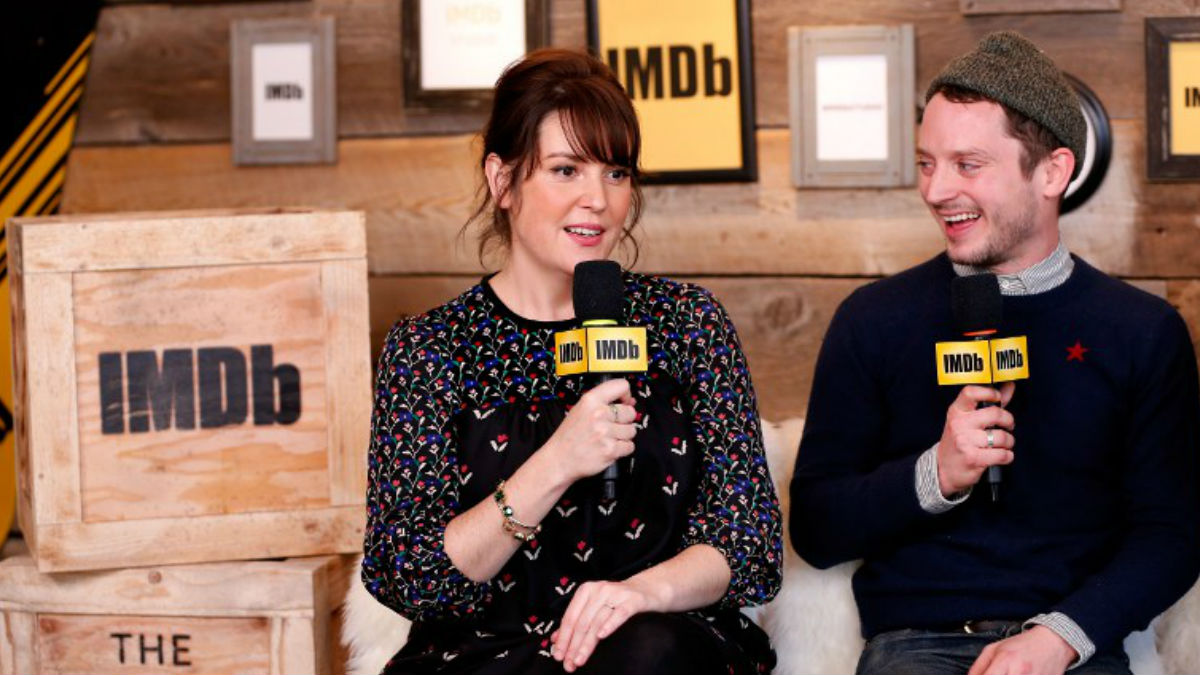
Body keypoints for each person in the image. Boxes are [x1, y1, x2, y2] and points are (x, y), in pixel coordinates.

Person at [790, 31, 1200, 675]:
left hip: (1072, 648)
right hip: (914, 645)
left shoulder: (1141, 331)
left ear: (1053, 172)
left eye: (967, 165)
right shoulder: (872, 320)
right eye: (927, 163)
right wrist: (937, 474)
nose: (935, 189)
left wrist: (1060, 637)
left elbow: (1172, 536)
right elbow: (815, 529)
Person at [362, 48, 782, 675]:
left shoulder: (687, 323)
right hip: (487, 658)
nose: (598, 200)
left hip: (654, 647)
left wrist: (641, 595)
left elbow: (748, 544)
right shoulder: (430, 350)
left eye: (615, 173)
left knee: (648, 653)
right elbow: (411, 576)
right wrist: (556, 462)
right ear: (501, 181)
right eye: (566, 170)